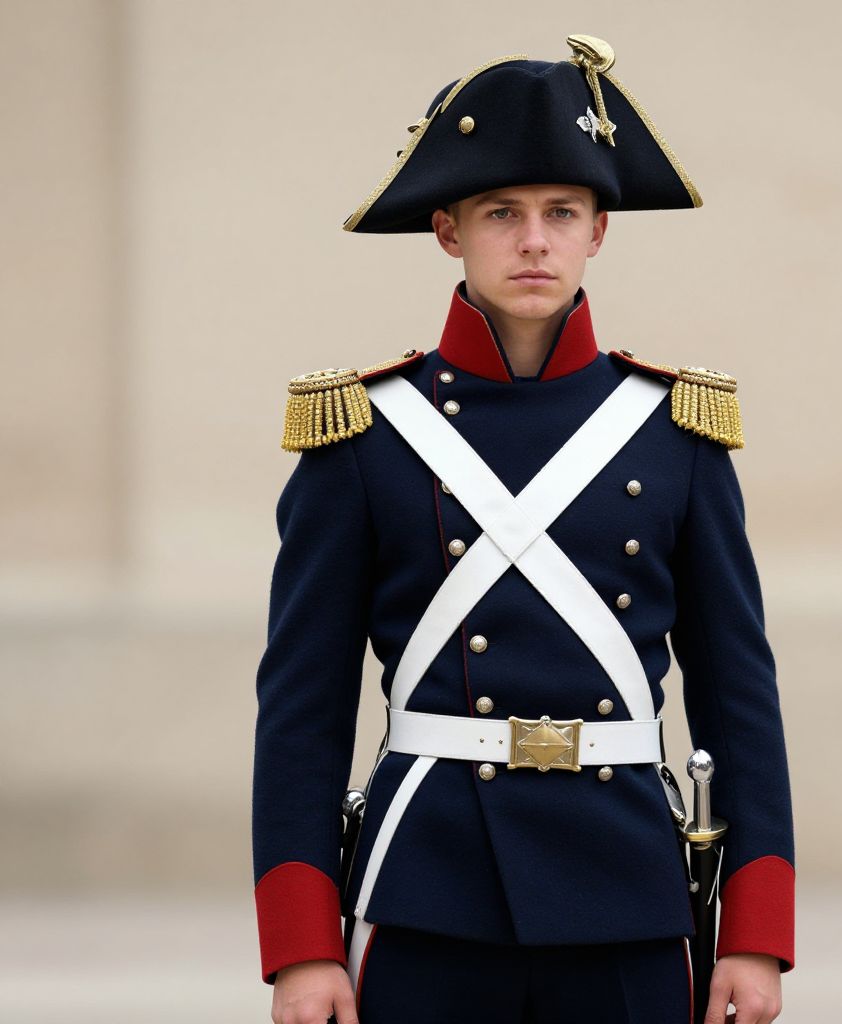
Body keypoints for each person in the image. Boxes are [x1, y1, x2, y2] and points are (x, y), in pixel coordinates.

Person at [252, 34, 795, 1024]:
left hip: (626, 890)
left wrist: (755, 935)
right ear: (448, 232)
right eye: (501, 214)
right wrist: (301, 946)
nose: (534, 241)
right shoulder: (362, 437)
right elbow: (302, 714)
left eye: (561, 213)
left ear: (598, 232)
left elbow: (737, 700)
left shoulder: (677, 435)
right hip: (426, 889)